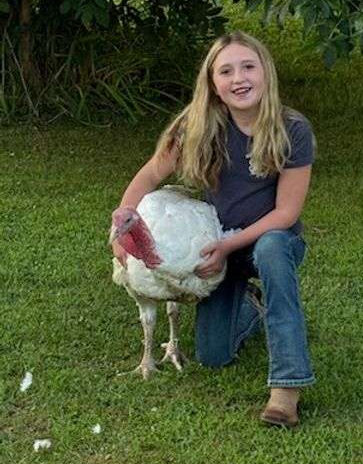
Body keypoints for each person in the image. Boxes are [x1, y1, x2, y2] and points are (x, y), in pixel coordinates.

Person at [112, 31, 315, 427]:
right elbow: (151, 174)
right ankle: (252, 306)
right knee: (213, 354)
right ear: (213, 84)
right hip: (216, 243)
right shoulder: (199, 124)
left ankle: (286, 388)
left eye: (248, 67)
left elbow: (286, 212)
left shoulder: (292, 129)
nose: (239, 78)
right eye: (226, 71)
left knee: (272, 250)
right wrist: (122, 224)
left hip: (271, 240)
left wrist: (227, 246)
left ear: (266, 72)